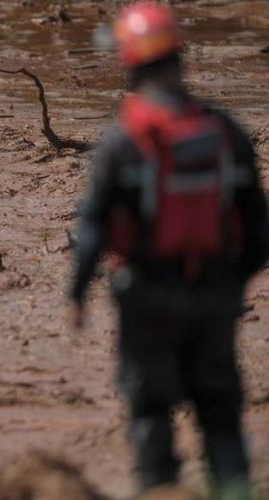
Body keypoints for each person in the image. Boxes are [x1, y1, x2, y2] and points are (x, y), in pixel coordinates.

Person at [69, 3, 268, 498]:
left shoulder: (123, 140)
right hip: (214, 294)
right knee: (220, 412)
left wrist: (77, 293)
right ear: (181, 56)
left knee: (151, 410)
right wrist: (231, 282)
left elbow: (94, 225)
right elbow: (260, 229)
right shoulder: (225, 131)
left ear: (128, 63)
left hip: (146, 296)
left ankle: (157, 490)